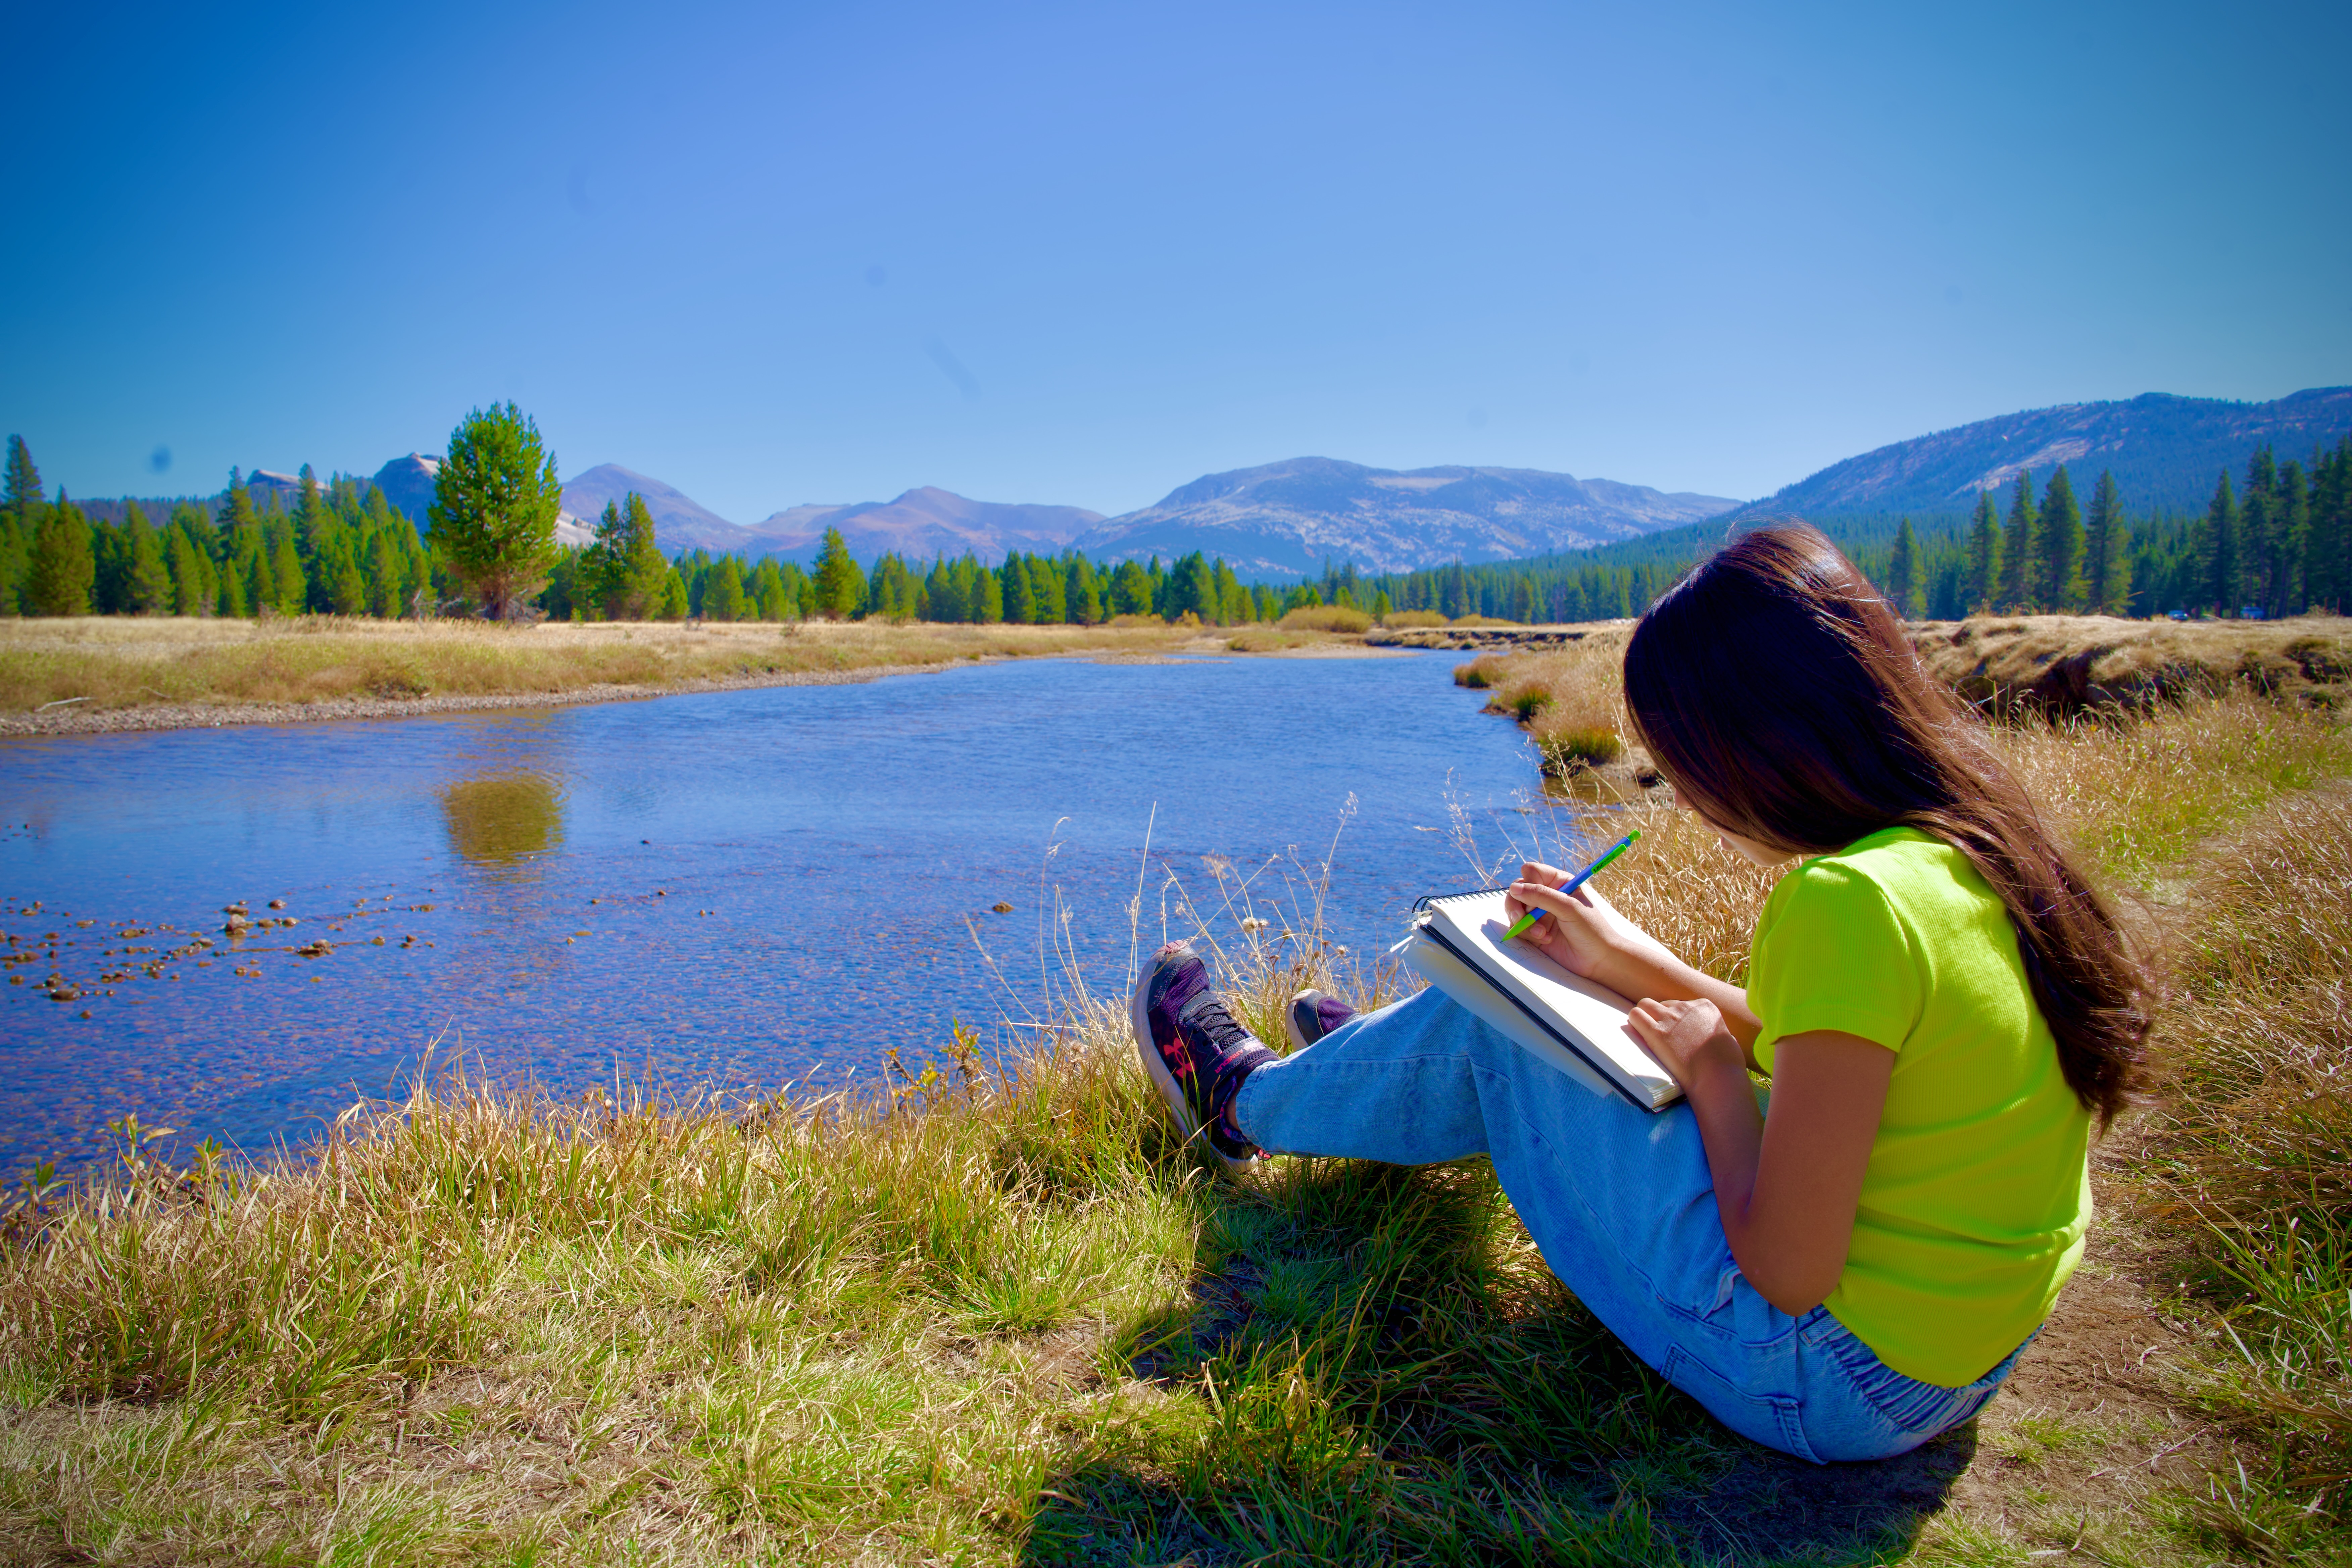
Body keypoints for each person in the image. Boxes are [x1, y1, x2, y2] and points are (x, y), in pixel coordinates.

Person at [1129, 522, 2149, 1464]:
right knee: (1526, 1013)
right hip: (1968, 1349)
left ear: (1753, 745)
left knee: (1499, 1031)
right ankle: (1382, 1076)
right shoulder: (1968, 848)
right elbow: (1836, 1059)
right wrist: (1623, 958)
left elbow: (1788, 1272)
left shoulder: (1842, 901)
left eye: (1683, 764)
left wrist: (1710, 1075)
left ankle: (1242, 1105)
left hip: (1834, 1382)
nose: (1690, 799)